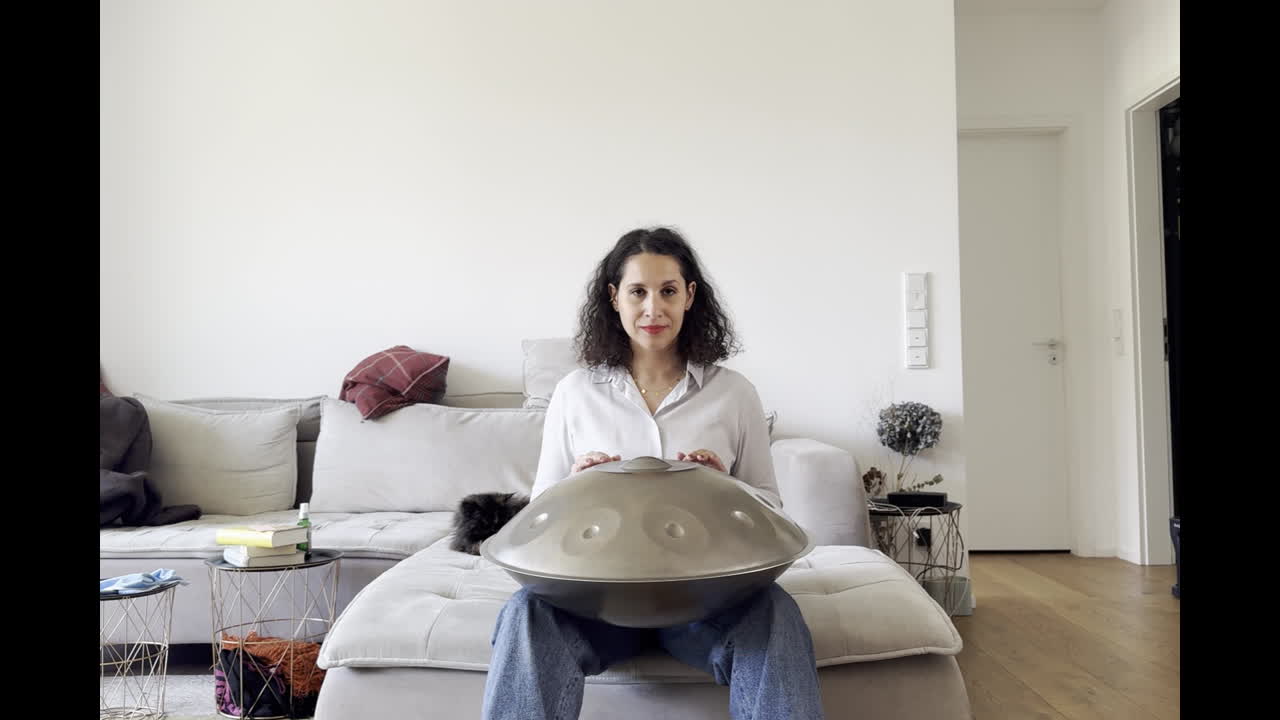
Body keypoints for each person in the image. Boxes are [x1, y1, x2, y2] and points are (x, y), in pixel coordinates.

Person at [481, 226, 824, 720]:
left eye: (667, 291)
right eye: (638, 292)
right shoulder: (575, 392)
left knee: (775, 612)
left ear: (690, 296)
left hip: (706, 605)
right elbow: (539, 516)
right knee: (525, 611)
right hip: (596, 606)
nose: (653, 308)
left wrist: (725, 486)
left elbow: (770, 508)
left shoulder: (734, 393)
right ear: (614, 297)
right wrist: (577, 485)